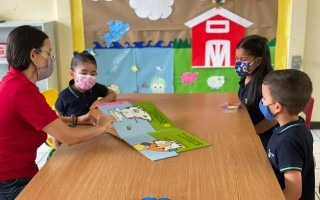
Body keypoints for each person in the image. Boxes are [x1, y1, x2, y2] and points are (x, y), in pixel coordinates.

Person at [0, 25, 114, 199]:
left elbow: (45, 120)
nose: (50, 60)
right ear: (33, 55)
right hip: (11, 179)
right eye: (48, 54)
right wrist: (102, 127)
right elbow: (69, 138)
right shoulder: (22, 91)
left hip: (16, 172)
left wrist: (77, 120)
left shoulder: (13, 82)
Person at [260, 69, 314, 199]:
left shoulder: (287, 142)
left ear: (277, 107)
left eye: (264, 98)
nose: (261, 102)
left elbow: (293, 193)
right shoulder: (299, 125)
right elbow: (311, 160)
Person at [53, 50, 117, 149]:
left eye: (93, 74)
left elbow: (112, 94)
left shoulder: (95, 88)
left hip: (93, 134)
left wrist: (100, 101)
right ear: (72, 74)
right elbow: (55, 123)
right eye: (83, 73)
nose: (88, 77)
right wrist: (57, 149)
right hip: (73, 139)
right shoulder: (63, 96)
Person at [235, 35, 278, 150]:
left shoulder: (266, 85)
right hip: (247, 129)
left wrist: (253, 132)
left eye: (243, 60)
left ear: (258, 61)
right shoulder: (245, 78)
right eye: (237, 59)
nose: (239, 63)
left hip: (263, 137)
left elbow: (274, 119)